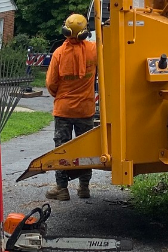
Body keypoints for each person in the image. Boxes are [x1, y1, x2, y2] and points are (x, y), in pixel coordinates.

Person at [45, 12, 97, 200]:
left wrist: (60, 95)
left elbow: (51, 83)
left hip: (64, 109)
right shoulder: (94, 50)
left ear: (66, 30)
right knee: (86, 149)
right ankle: (84, 188)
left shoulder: (59, 53)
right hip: (86, 110)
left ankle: (62, 189)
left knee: (62, 149)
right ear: (85, 32)